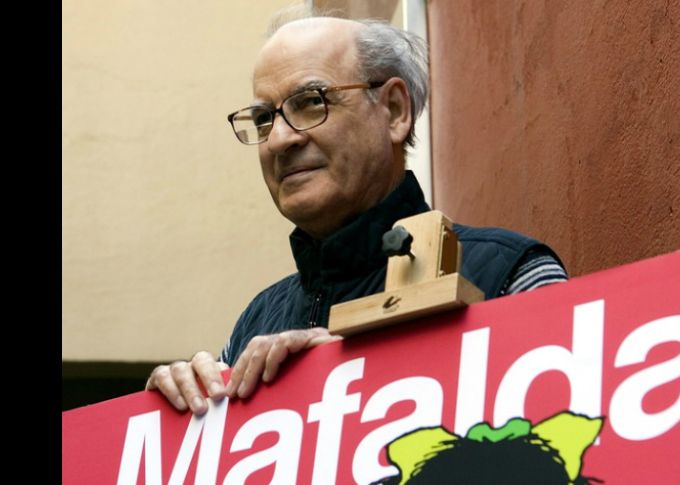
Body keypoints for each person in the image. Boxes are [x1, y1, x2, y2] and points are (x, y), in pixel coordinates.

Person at [146, 10, 568, 416]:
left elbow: (569, 444)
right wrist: (171, 421)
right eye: (262, 118)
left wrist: (357, 374)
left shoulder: (511, 276)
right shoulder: (253, 325)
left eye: (310, 102)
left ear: (395, 111)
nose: (278, 140)